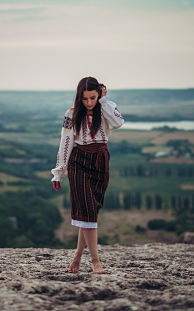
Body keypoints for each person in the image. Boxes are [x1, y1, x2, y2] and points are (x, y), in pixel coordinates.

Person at [51, 76, 124, 274]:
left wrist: (104, 101)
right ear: (78, 98)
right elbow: (65, 143)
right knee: (88, 213)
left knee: (89, 213)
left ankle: (76, 258)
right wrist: (59, 173)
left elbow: (119, 122)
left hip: (101, 161)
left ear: (99, 94)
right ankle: (95, 262)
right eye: (85, 99)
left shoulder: (104, 109)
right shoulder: (71, 114)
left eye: (93, 98)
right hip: (79, 162)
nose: (89, 102)